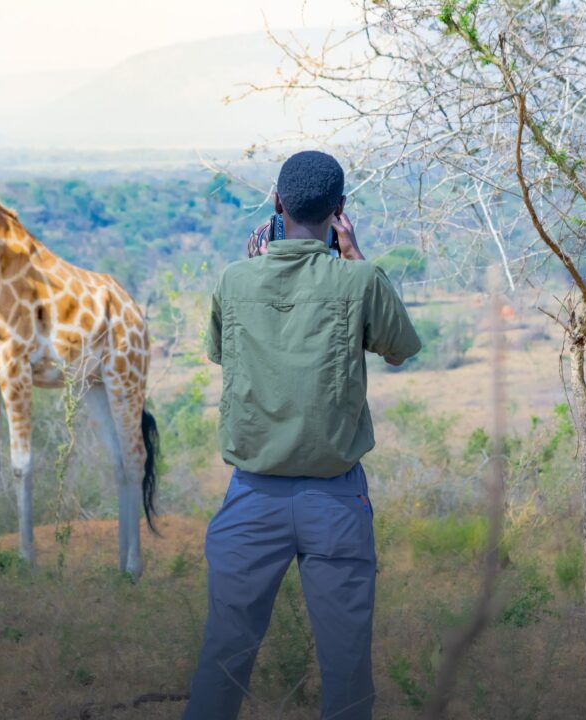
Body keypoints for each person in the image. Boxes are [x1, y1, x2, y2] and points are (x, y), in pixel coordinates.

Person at [182, 150, 421, 720]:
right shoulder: (359, 279)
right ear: (340, 210)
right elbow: (400, 350)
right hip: (336, 500)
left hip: (251, 499)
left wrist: (255, 273)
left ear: (276, 204)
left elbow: (220, 353)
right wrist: (357, 255)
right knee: (346, 668)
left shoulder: (235, 280)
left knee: (224, 657)